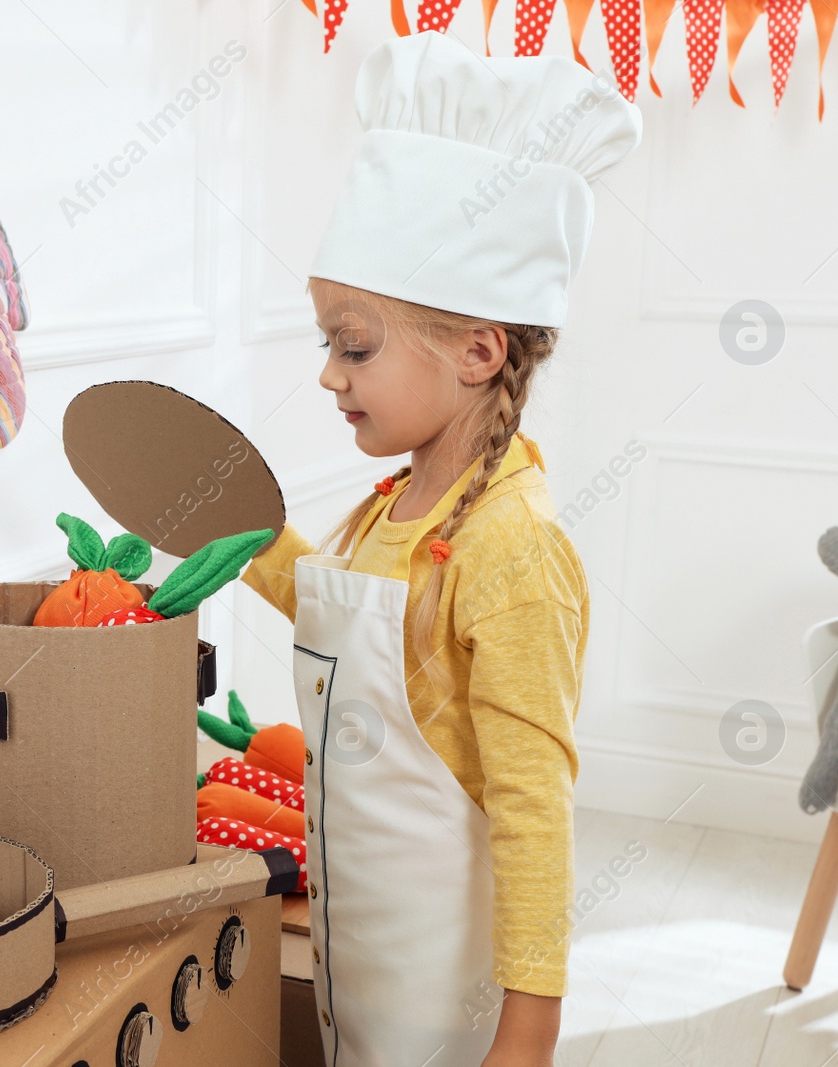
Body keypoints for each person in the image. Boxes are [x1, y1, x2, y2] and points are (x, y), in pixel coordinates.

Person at [239, 29, 643, 1067]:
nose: (330, 375)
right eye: (327, 342)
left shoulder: (513, 550)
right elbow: (362, 614)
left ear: (477, 351)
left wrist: (529, 1025)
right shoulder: (395, 502)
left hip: (443, 1001)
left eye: (354, 344)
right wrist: (236, 532)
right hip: (353, 955)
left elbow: (531, 808)